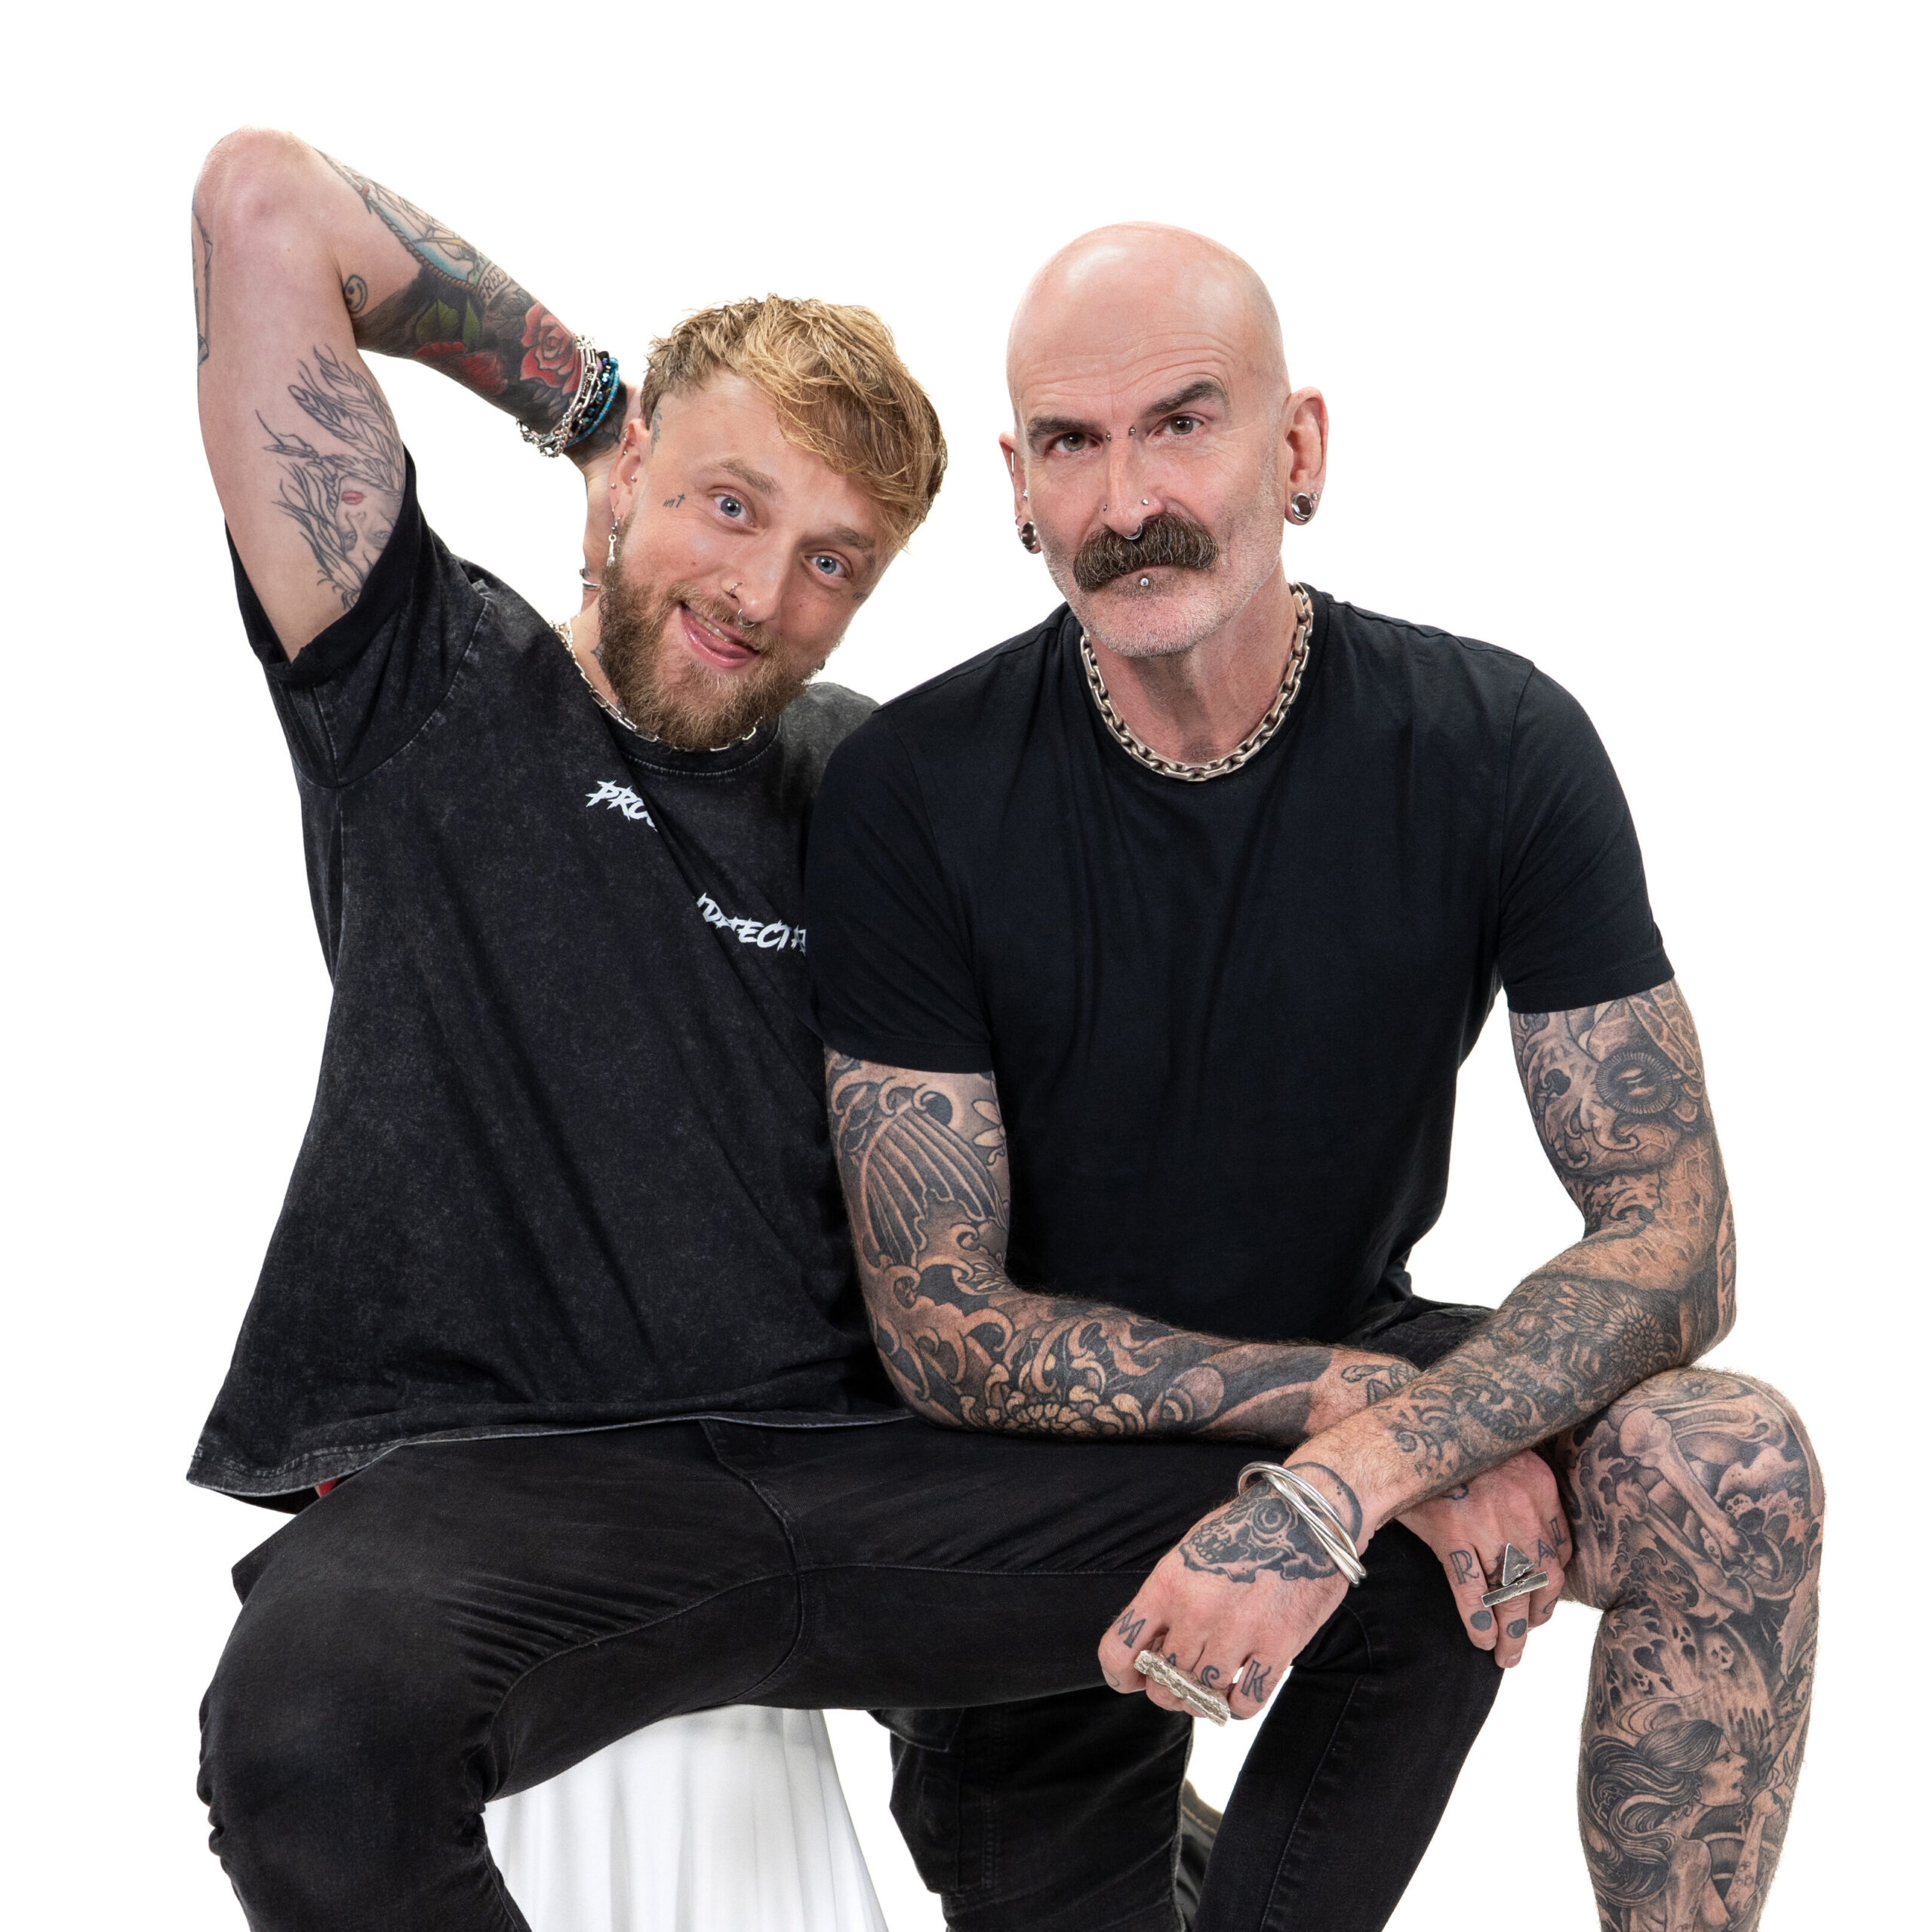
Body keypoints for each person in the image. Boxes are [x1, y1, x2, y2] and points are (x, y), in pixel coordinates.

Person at [186, 135, 1497, 1932]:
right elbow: (266, 208)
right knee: (304, 1727)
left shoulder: (876, 790)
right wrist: (584, 404)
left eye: (832, 561)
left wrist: (1368, 1403)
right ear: (636, 467)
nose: (762, 592)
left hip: (868, 1480)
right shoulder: (426, 689)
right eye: (727, 504)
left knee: (1423, 1517)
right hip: (503, 1488)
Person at [804, 224, 1823, 1932]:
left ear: (1297, 450)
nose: (1127, 493)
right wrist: (1352, 1417)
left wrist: (1363, 1468)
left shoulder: (1492, 743)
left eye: (1182, 421)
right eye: (1070, 442)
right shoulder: (912, 790)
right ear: (1017, 488)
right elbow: (941, 1323)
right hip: (1028, 1462)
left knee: (1728, 1462)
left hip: (1360, 1407)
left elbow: (1675, 1237)